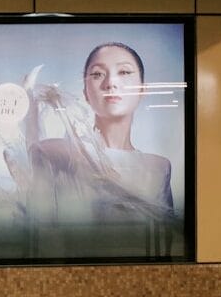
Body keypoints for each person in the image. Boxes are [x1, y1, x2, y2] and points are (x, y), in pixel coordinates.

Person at [22, 42, 177, 255]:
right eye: (97, 74)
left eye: (124, 72)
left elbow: (167, 247)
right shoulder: (55, 152)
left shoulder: (159, 167)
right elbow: (38, 236)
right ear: (85, 92)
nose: (111, 83)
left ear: (142, 89)